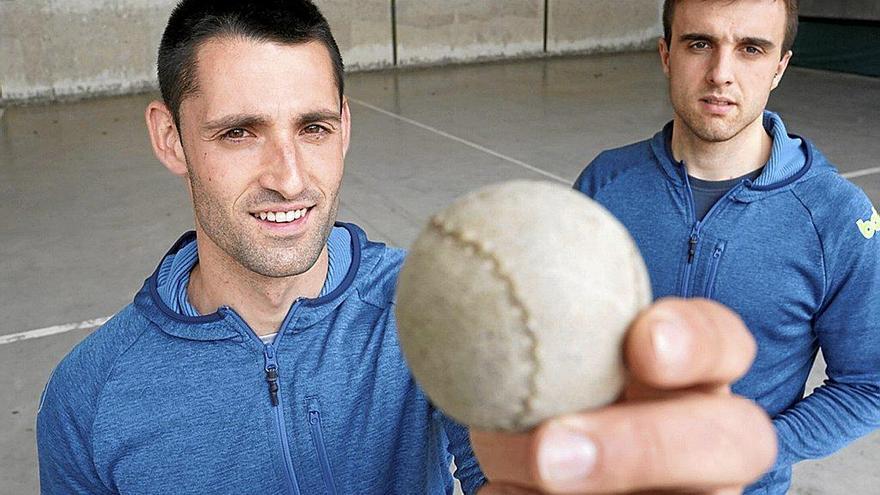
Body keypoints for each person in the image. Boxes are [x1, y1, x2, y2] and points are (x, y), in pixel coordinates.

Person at [37, 1, 776, 494]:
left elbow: (502, 470)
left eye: (314, 127)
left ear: (346, 127)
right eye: (239, 131)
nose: (290, 177)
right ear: (170, 138)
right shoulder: (89, 397)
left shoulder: (430, 303)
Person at [573, 0, 880, 493]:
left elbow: (869, 384)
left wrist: (753, 447)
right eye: (700, 44)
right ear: (666, 54)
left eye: (751, 49)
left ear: (779, 67)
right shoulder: (605, 184)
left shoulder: (835, 217)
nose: (721, 73)